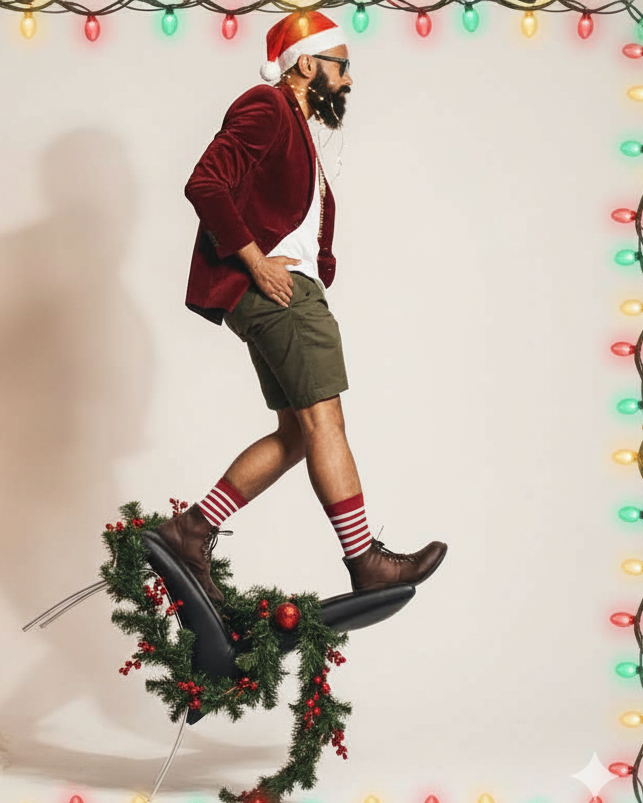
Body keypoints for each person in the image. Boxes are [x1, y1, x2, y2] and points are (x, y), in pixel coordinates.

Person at [146, 11, 447, 605]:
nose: (350, 81)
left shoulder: (299, 127)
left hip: (284, 293)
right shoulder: (267, 105)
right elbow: (206, 182)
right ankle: (365, 561)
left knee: (297, 434)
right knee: (324, 423)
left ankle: (192, 530)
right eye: (342, 66)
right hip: (279, 292)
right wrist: (256, 262)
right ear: (306, 63)